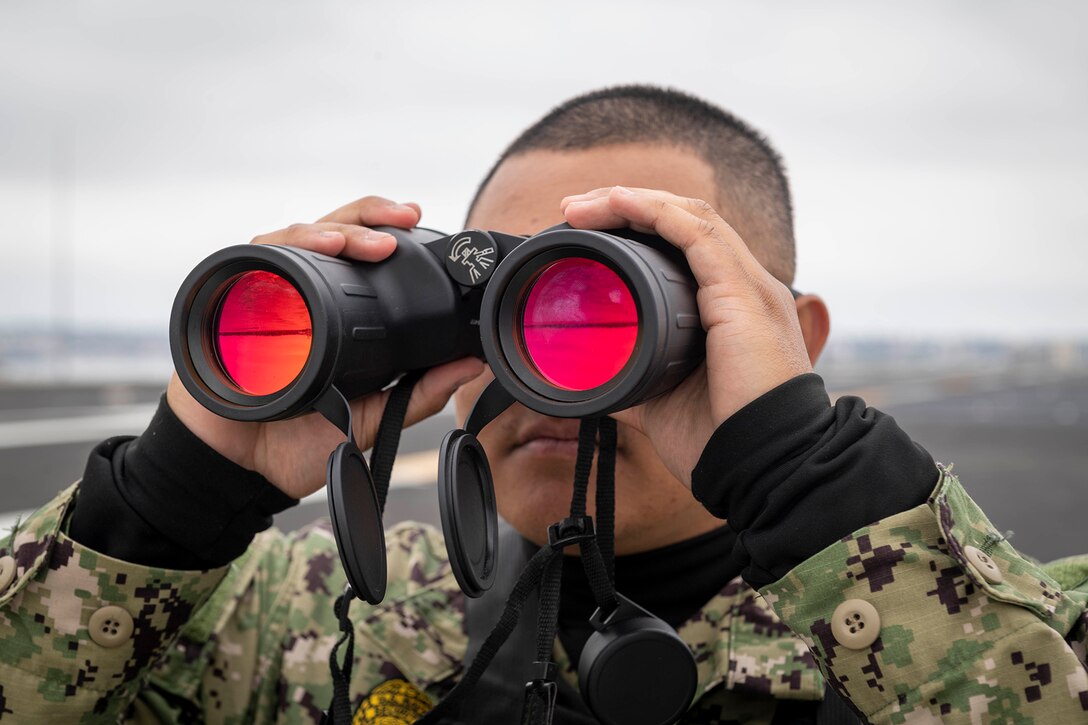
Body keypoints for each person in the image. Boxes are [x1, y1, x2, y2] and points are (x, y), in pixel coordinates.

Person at [1, 85, 1086, 724]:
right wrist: (166, 496)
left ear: (788, 341)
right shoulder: (303, 618)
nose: (536, 360)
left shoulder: (1023, 625)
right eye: (499, 303)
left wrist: (811, 471)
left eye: (605, 297)